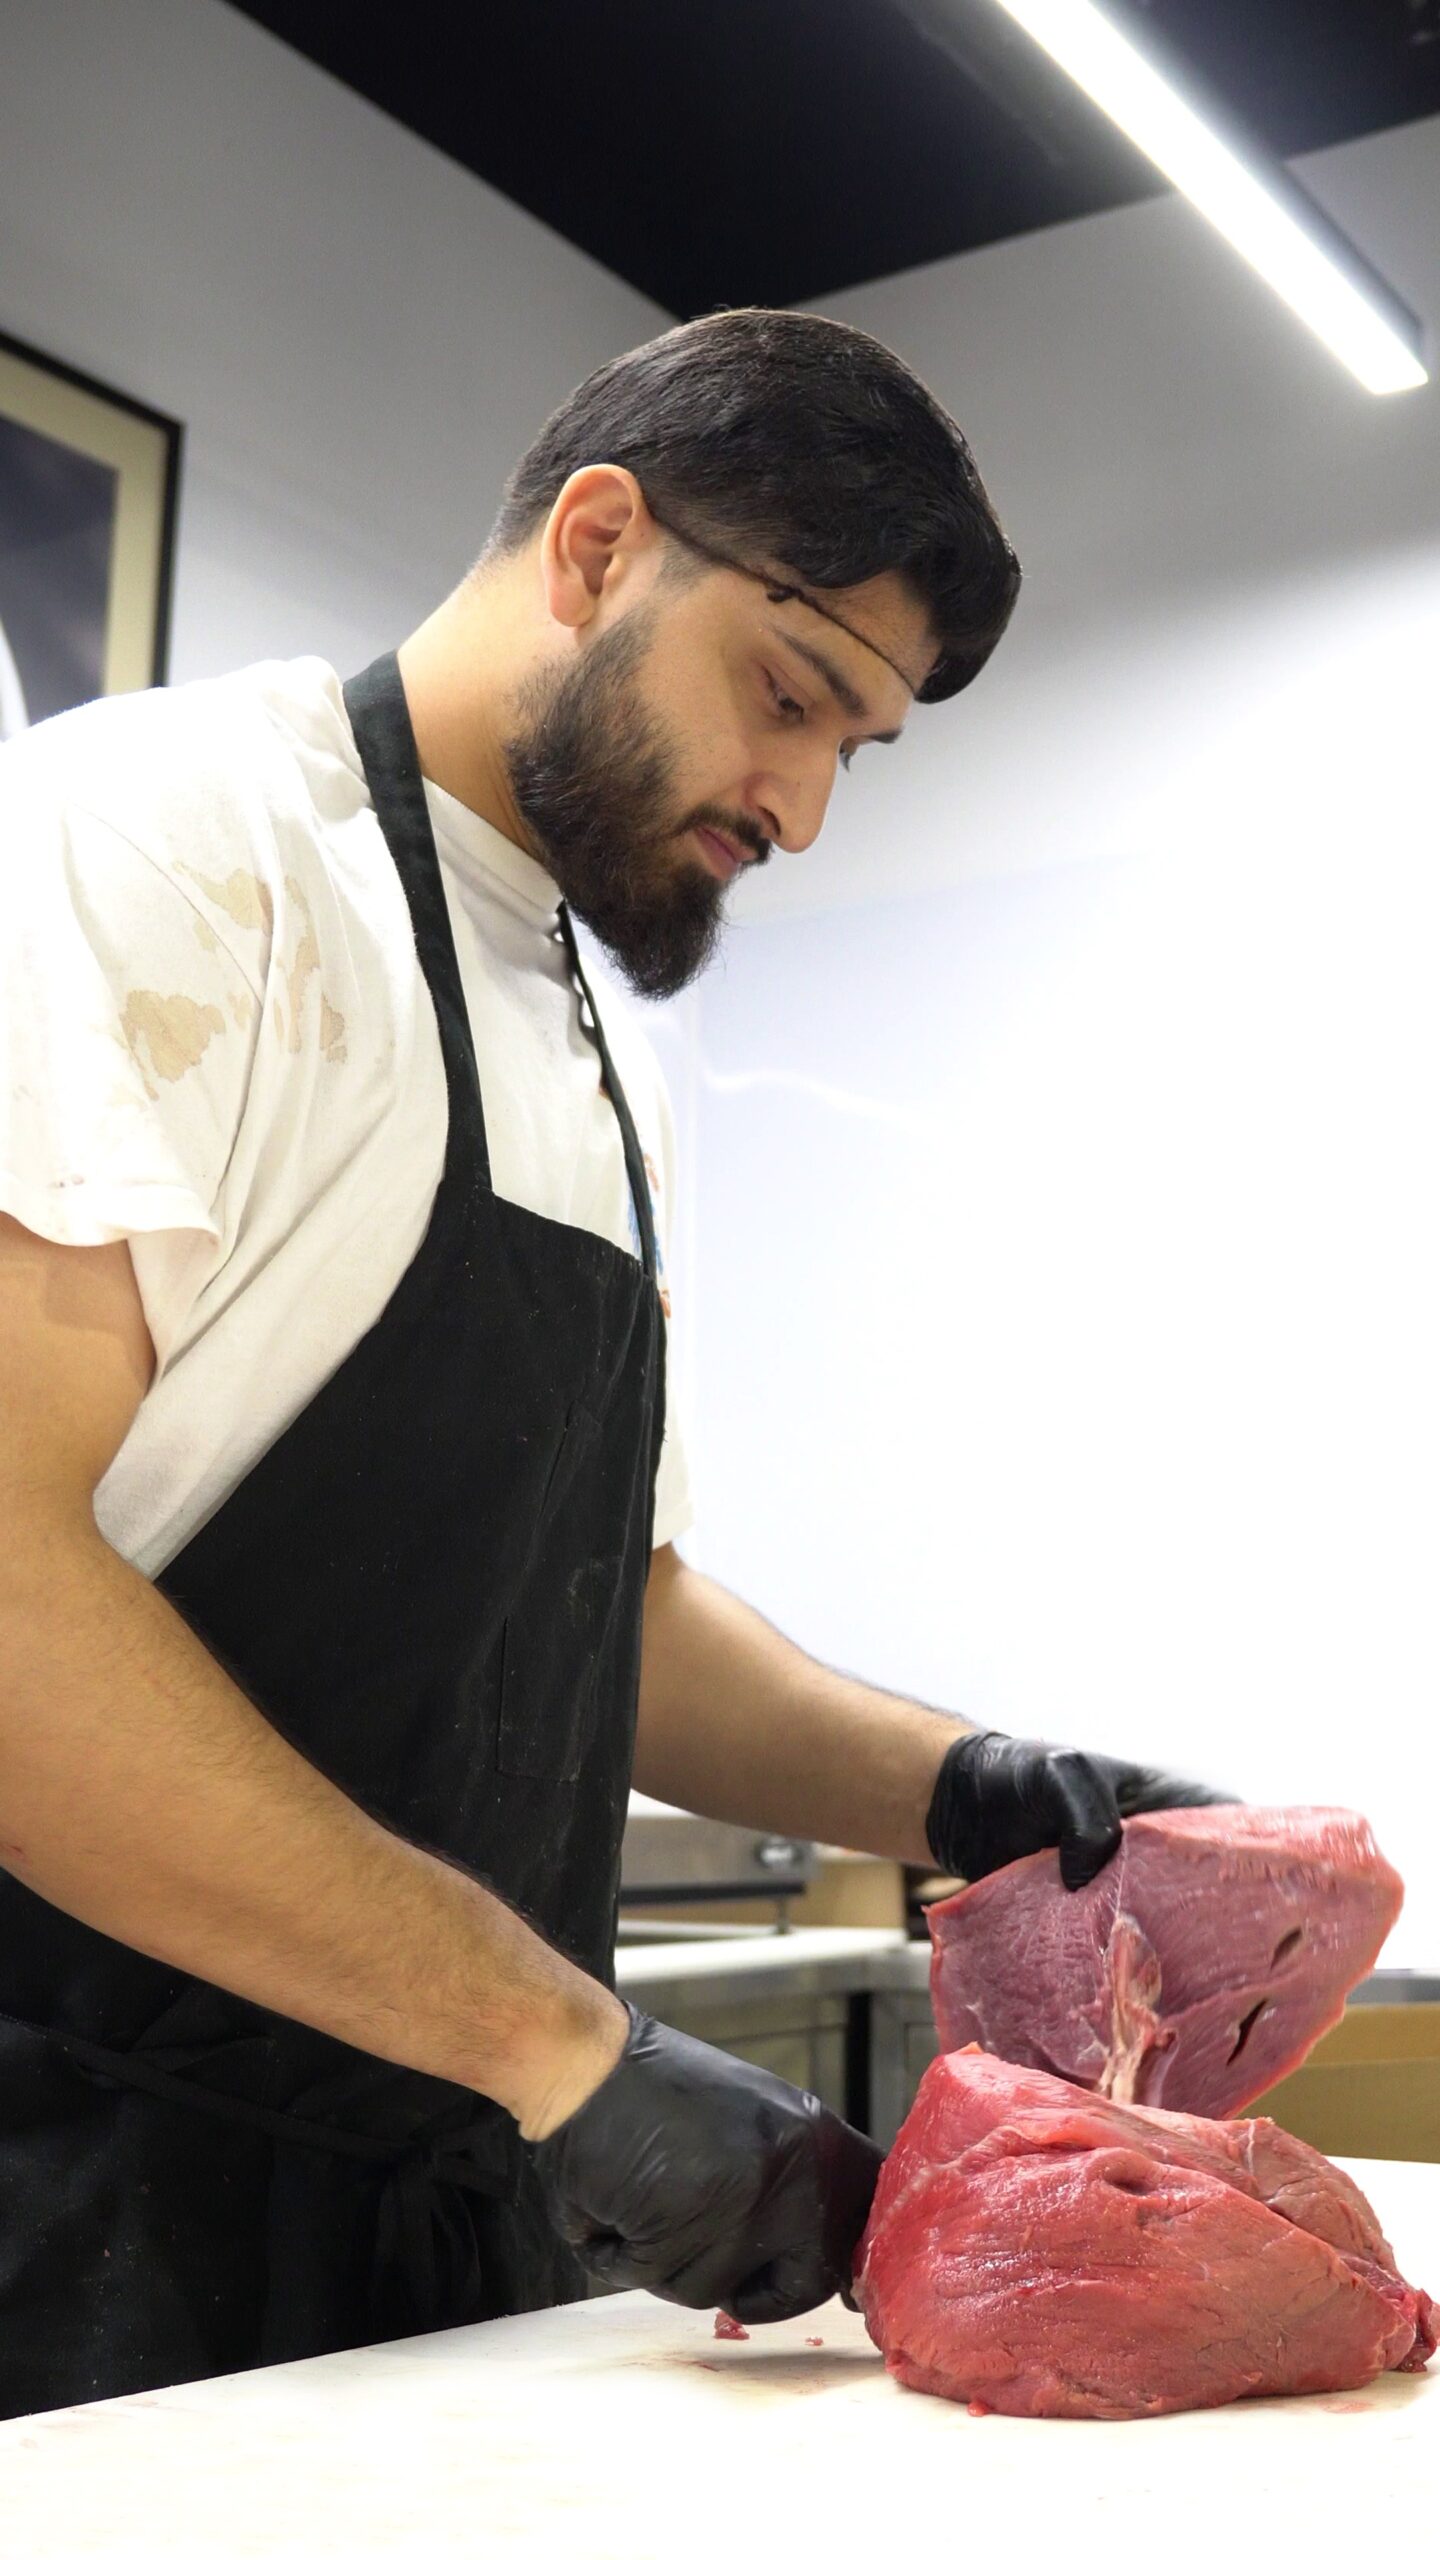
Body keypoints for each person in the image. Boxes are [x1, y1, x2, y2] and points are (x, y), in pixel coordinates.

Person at [0, 307, 1226, 2420]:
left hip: (446, 2234)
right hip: (77, 2220)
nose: (806, 810)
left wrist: (972, 1787)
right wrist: (565, 2044)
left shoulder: (601, 1058)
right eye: (791, 696)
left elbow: (599, 1622)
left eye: (859, 748)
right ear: (594, 547)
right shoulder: (163, 843)